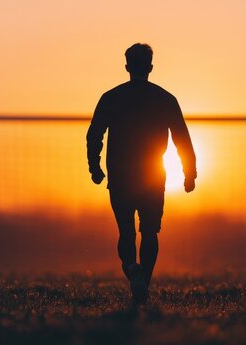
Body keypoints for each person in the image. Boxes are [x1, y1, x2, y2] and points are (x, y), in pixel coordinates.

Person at [86, 43, 197, 304]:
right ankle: (143, 282)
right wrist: (189, 172)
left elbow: (94, 134)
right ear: (150, 67)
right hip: (152, 176)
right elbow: (183, 138)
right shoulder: (165, 99)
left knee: (126, 233)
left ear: (127, 67)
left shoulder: (111, 97)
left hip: (121, 176)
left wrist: (95, 166)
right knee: (150, 232)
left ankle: (133, 272)